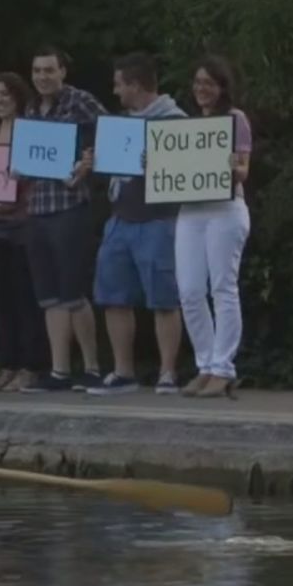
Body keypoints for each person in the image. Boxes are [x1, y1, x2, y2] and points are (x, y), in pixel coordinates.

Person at [89, 52, 183, 396]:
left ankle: (168, 373)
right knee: (113, 296)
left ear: (135, 84)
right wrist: (94, 162)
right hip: (120, 219)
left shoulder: (175, 122)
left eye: (118, 85)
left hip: (158, 221)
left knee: (164, 298)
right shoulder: (121, 124)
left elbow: (186, 175)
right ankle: (124, 372)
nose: (115, 92)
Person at [20, 46, 108, 393]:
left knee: (72, 290)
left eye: (48, 70)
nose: (42, 77)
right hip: (38, 206)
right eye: (37, 71)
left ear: (62, 72)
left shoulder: (79, 101)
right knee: (49, 294)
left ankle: (91, 367)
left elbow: (111, 132)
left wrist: (89, 160)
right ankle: (59, 371)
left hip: (70, 204)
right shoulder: (30, 107)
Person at [177, 55, 254, 398]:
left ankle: (223, 368)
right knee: (190, 290)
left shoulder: (234, 119)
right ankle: (205, 364)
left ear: (222, 86)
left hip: (224, 208)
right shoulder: (189, 125)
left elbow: (242, 171)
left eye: (208, 83)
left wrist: (226, 162)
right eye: (197, 83)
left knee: (223, 287)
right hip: (192, 211)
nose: (201, 89)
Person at [0, 73, 50, 392]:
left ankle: (31, 365)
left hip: (24, 221)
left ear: (17, 96)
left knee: (24, 297)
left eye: (5, 94)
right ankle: (8, 363)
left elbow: (36, 174)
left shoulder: (29, 130)